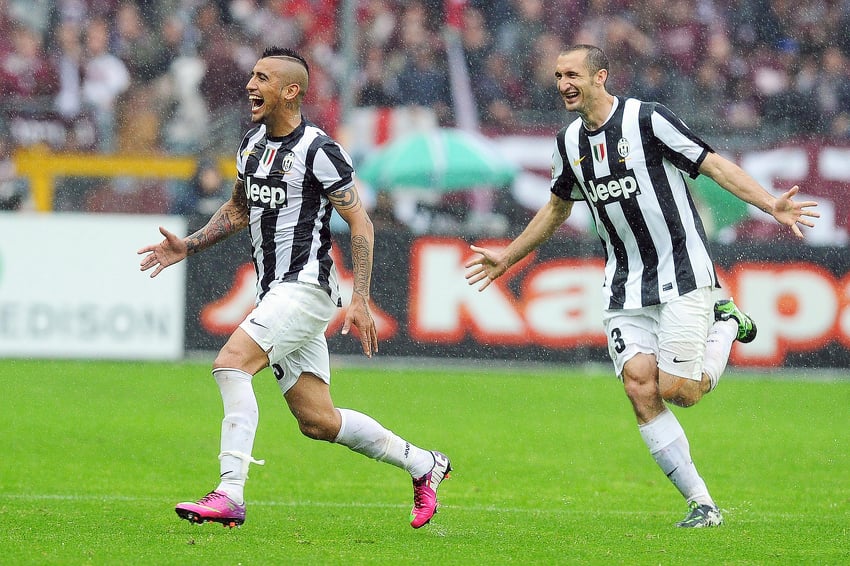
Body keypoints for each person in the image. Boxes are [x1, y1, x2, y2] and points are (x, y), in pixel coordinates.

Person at [465, 44, 819, 528]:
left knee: (680, 392)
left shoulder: (648, 120)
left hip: (684, 274)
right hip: (625, 285)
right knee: (639, 387)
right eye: (557, 76)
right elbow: (556, 207)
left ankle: (727, 326)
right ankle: (703, 504)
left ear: (600, 77)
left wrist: (770, 203)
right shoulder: (568, 143)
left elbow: (711, 163)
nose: (564, 84)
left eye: (573, 75)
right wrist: (508, 255)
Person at [138, 46, 450, 529]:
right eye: (251, 76)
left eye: (261, 78)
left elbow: (361, 224)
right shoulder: (252, 144)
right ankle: (424, 464)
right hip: (275, 291)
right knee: (318, 420)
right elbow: (239, 209)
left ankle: (229, 492)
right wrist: (190, 246)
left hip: (306, 286)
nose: (250, 86)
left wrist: (361, 300)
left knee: (230, 364)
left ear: (290, 91)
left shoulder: (320, 150)